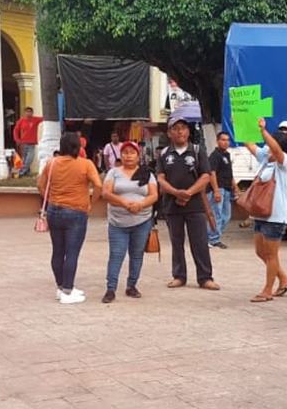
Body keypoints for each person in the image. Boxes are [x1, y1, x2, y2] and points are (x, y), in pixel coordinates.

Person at [38, 131, 103, 304]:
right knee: (72, 252)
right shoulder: (86, 164)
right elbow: (98, 185)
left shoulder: (52, 163)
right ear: (78, 147)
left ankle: (62, 287)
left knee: (58, 251)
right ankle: (68, 291)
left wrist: (51, 198)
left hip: (54, 211)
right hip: (76, 211)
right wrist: (90, 203)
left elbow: (40, 184)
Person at [157, 114, 220, 290]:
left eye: (183, 128)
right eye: (175, 129)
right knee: (176, 243)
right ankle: (179, 276)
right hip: (171, 205)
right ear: (169, 133)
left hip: (195, 206)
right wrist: (176, 192)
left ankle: (205, 277)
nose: (180, 132)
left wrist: (188, 193)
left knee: (199, 242)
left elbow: (206, 175)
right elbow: (160, 178)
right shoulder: (164, 153)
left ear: (188, 131)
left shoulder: (198, 150)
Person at [100, 141, 158, 303]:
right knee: (116, 255)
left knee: (137, 255)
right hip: (118, 222)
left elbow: (154, 195)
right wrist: (124, 203)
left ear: (138, 156)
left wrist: (140, 205)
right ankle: (111, 288)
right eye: (125, 152)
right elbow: (106, 193)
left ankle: (132, 285)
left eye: (132, 153)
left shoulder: (147, 173)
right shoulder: (114, 172)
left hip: (142, 220)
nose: (128, 155)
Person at [245, 120, 287, 303]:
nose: (266, 146)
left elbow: (275, 148)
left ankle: (268, 289)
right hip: (261, 214)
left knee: (271, 254)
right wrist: (243, 125)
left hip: (275, 215)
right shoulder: (266, 159)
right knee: (261, 251)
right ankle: (284, 279)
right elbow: (249, 144)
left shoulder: (285, 162)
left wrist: (263, 131)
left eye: (270, 143)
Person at [207, 131, 237, 249]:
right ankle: (213, 239)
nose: (225, 142)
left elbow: (229, 173)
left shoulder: (227, 155)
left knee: (226, 216)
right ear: (217, 141)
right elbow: (211, 173)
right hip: (218, 188)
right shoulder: (215, 155)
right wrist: (216, 191)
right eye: (223, 140)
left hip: (227, 189)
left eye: (227, 140)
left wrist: (235, 187)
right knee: (217, 215)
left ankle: (212, 236)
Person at [13, 107, 42, 177]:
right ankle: (26, 173)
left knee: (30, 158)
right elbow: (16, 130)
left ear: (32, 113)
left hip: (32, 143)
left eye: (30, 112)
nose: (28, 113)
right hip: (23, 143)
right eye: (27, 112)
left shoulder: (35, 120)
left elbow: (44, 118)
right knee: (25, 158)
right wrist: (17, 140)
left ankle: (21, 172)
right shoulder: (21, 121)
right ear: (24, 113)